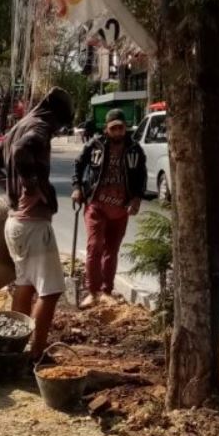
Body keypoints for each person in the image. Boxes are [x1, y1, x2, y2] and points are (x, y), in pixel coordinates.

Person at [0, 87, 73, 360]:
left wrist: (12, 188)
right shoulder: (40, 127)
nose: (57, 130)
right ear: (55, 116)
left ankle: (15, 349)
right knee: (51, 291)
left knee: (26, 285)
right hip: (33, 224)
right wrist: (31, 186)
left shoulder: (21, 125)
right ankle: (36, 355)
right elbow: (21, 151)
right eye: (61, 124)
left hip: (15, 223)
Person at [72, 108, 147, 309]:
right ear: (106, 129)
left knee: (111, 251)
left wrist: (137, 199)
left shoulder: (134, 149)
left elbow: (141, 176)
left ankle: (106, 291)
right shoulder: (94, 145)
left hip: (121, 210)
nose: (118, 132)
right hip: (96, 206)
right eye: (113, 128)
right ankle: (92, 291)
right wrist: (77, 188)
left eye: (121, 128)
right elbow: (78, 165)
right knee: (94, 247)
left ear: (125, 128)